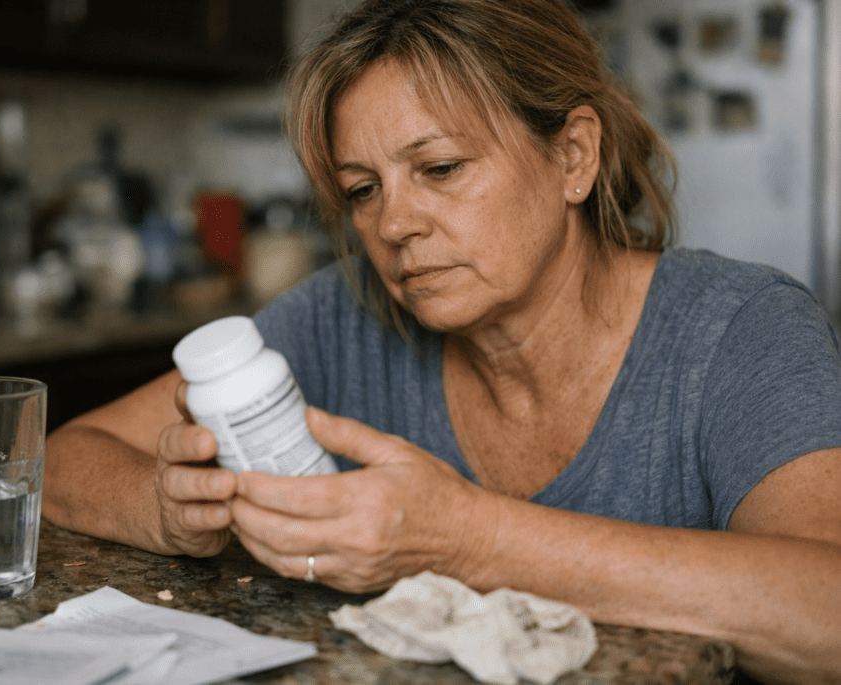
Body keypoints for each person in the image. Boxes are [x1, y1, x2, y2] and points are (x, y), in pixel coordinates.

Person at [42, 1, 841, 682]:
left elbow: (827, 614)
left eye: (442, 168)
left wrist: (469, 538)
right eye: (363, 189)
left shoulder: (741, 328)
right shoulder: (340, 317)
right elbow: (66, 457)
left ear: (573, 156)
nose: (392, 225)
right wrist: (166, 507)